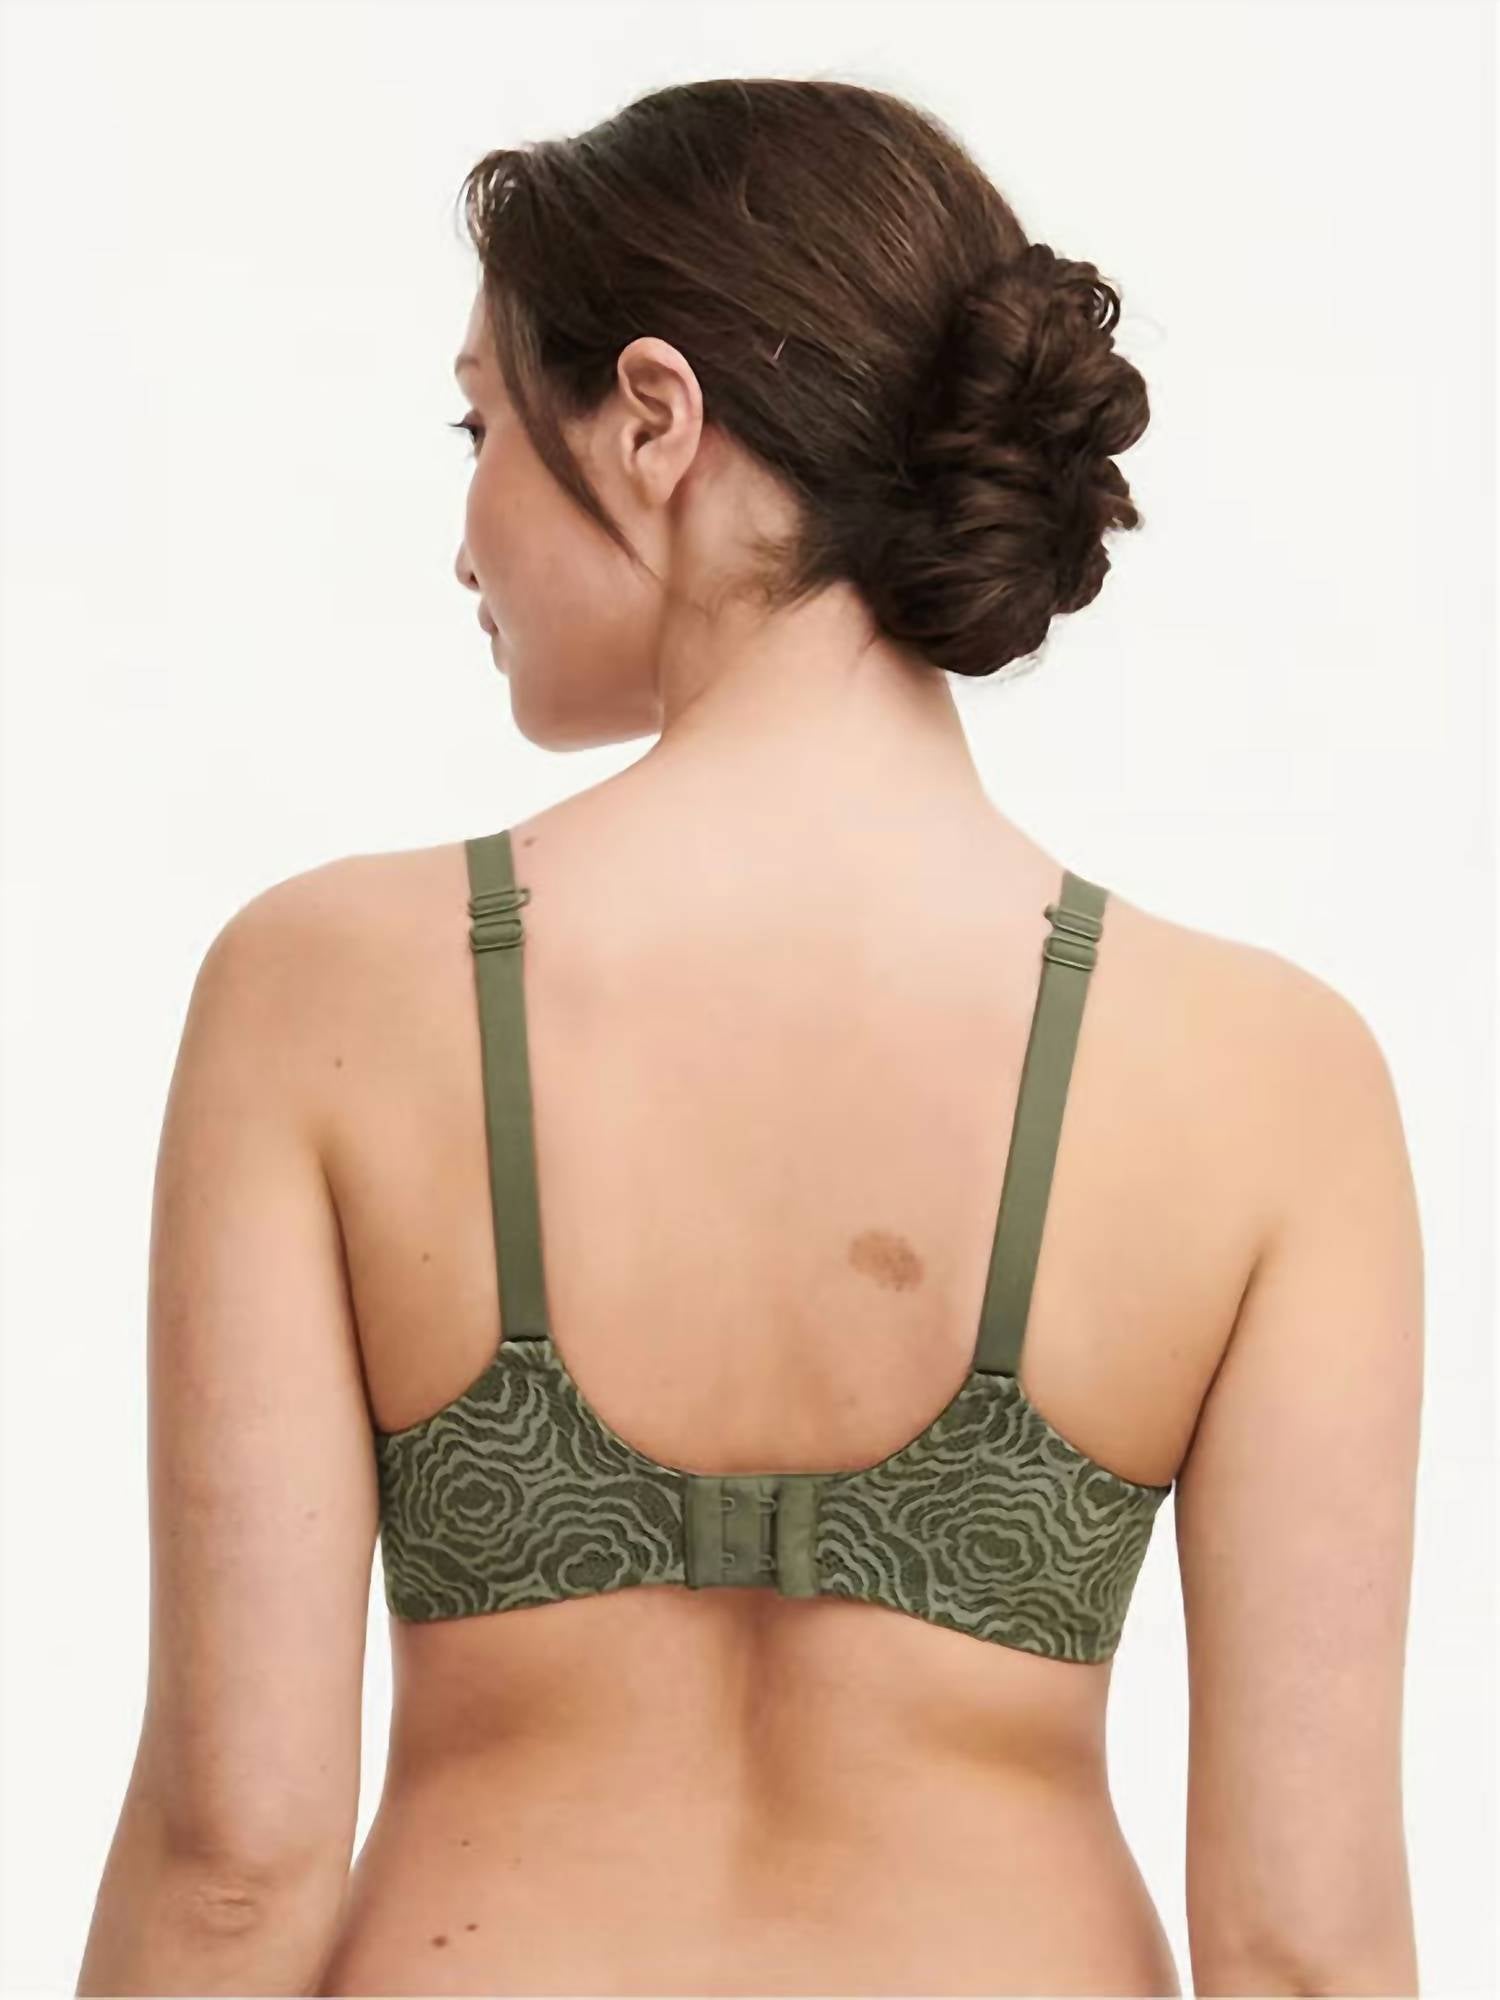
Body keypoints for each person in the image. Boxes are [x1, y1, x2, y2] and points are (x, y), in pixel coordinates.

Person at [76, 76, 1423, 1999]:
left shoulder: (326, 994)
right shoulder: (1267, 1078)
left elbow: (234, 1864)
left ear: (652, 419)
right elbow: (1304, 1947)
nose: (462, 538)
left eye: (480, 424)